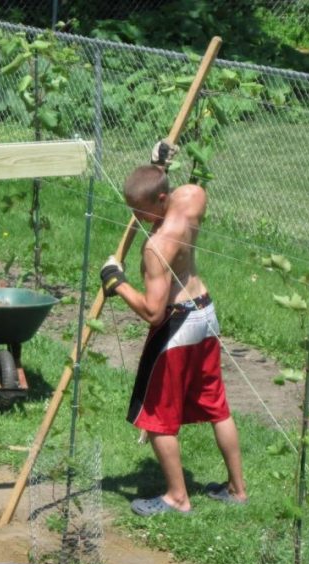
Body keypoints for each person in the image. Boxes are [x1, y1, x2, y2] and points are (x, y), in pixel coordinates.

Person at [99, 143, 247, 515]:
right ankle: (237, 489)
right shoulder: (192, 197)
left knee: (157, 414)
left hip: (178, 325)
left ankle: (177, 498)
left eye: (141, 210)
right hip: (205, 312)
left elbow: (152, 312)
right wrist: (156, 167)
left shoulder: (158, 247)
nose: (136, 217)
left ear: (161, 198)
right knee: (217, 405)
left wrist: (116, 282)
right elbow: (169, 195)